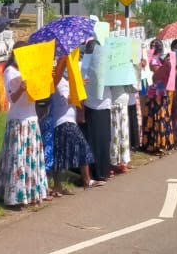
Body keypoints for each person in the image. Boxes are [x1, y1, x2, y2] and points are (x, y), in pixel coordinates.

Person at [0, 46, 48, 207]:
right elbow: (12, 99)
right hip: (18, 121)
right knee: (18, 159)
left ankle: (33, 191)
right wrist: (21, 88)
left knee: (31, 159)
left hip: (31, 119)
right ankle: (17, 195)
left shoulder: (30, 70)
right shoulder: (10, 72)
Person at [51, 65, 98, 189]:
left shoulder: (68, 80)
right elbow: (65, 100)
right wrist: (79, 88)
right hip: (62, 122)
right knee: (80, 147)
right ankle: (86, 180)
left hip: (69, 120)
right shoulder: (59, 81)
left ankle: (59, 185)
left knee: (61, 153)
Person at [80, 40, 113, 183]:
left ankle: (104, 170)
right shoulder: (83, 66)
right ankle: (96, 172)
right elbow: (79, 88)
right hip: (91, 106)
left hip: (105, 105)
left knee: (105, 140)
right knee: (94, 142)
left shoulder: (107, 66)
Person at [142, 41, 175, 155]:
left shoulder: (159, 59)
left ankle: (162, 142)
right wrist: (166, 66)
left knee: (162, 117)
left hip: (162, 92)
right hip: (156, 93)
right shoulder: (154, 60)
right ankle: (157, 144)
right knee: (157, 117)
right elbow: (156, 75)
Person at [109, 81, 131, 175]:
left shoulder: (126, 68)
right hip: (112, 102)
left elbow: (134, 87)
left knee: (124, 133)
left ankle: (123, 161)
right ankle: (112, 162)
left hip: (124, 102)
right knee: (114, 134)